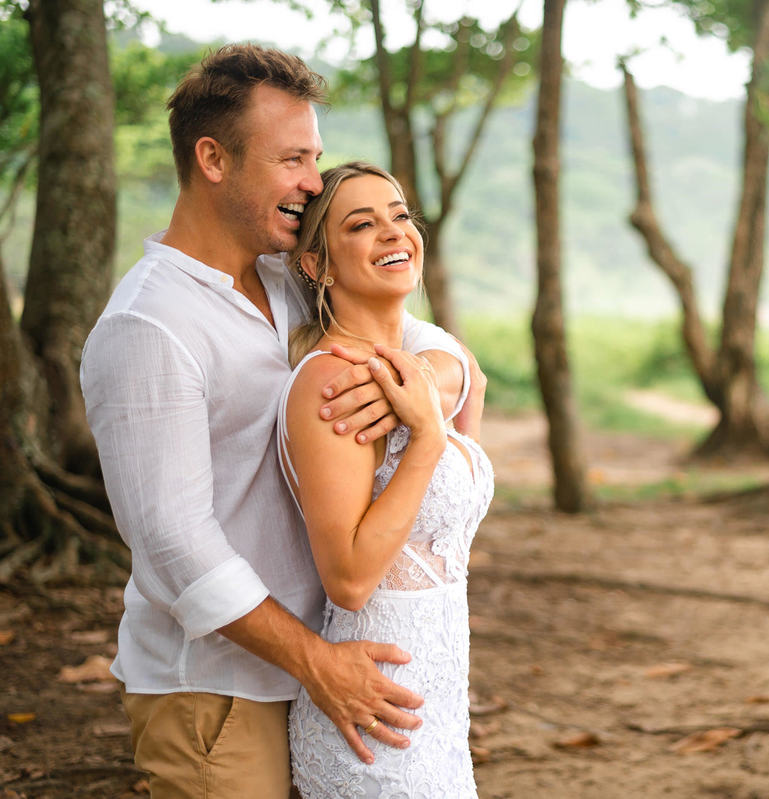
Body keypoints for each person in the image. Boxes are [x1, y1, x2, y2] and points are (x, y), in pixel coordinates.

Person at [80, 45, 476, 798]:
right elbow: (174, 546)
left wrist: (425, 381)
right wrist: (317, 663)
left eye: (314, 158)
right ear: (213, 159)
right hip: (220, 693)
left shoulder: (285, 276)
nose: (312, 182)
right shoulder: (148, 325)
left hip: (328, 666)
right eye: (292, 159)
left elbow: (428, 339)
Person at [278, 161, 491, 798]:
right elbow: (347, 579)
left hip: (439, 698)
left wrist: (438, 388)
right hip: (375, 706)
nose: (394, 232)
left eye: (400, 215)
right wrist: (426, 438)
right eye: (361, 225)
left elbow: (472, 384)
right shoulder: (333, 381)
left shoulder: (417, 367)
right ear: (316, 266)